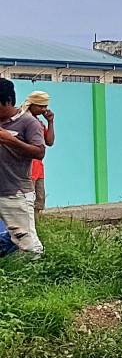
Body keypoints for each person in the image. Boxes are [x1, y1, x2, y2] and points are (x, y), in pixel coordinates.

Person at [0, 78, 47, 253]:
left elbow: (40, 152)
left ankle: (40, 274)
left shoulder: (29, 122)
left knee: (27, 241)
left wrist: (11, 141)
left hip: (15, 192)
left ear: (8, 102)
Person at [17, 91, 54, 213]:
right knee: (27, 202)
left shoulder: (38, 123)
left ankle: (35, 227)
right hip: (28, 167)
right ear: (31, 104)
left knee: (38, 201)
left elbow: (49, 141)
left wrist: (50, 122)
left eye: (45, 106)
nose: (43, 109)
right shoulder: (23, 121)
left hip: (38, 168)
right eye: (40, 106)